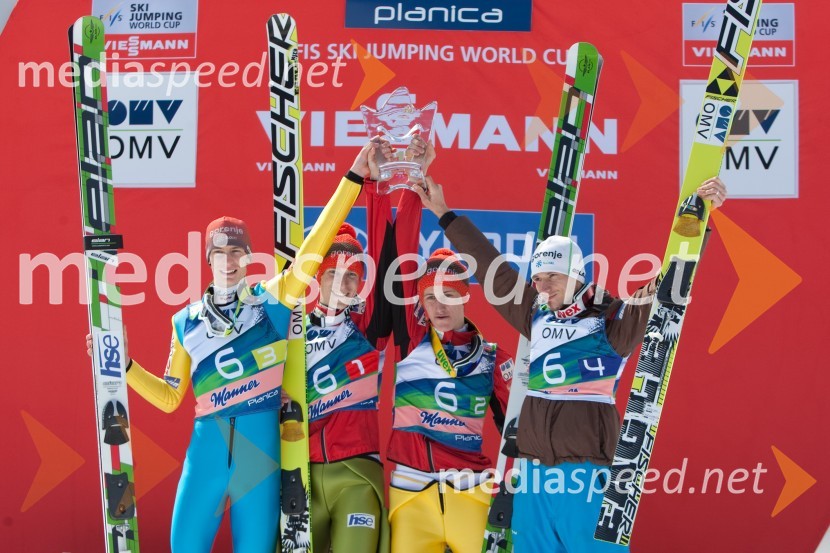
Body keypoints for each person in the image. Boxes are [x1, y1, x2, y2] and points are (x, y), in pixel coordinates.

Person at [85, 145, 377, 553]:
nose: (228, 260)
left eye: (236, 251)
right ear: (208, 258)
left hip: (259, 457)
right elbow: (171, 397)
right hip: (206, 449)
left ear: (247, 256)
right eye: (219, 252)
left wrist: (352, 179)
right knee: (184, 547)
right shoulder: (184, 320)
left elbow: (312, 254)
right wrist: (126, 365)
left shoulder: (271, 303)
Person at [414, 175, 727, 552]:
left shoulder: (612, 320)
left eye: (553, 278)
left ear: (576, 275)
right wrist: (444, 214)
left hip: (586, 475)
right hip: (532, 476)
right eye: (538, 278)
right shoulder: (534, 314)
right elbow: (492, 269)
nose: (543, 288)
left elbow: (666, 289)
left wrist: (699, 222)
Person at [382, 143, 515, 553]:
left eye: (449, 295)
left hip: (471, 492)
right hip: (410, 494)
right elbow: (401, 251)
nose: (439, 306)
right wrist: (413, 176)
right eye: (430, 297)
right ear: (419, 302)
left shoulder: (493, 357)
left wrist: (514, 486)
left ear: (465, 298)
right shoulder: (410, 341)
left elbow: (520, 428)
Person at [304, 140, 397, 553]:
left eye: (352, 277)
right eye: (332, 274)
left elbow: (382, 253)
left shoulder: (367, 328)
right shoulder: (290, 330)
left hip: (357, 470)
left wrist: (375, 189)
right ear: (316, 279)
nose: (342, 284)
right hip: (300, 472)